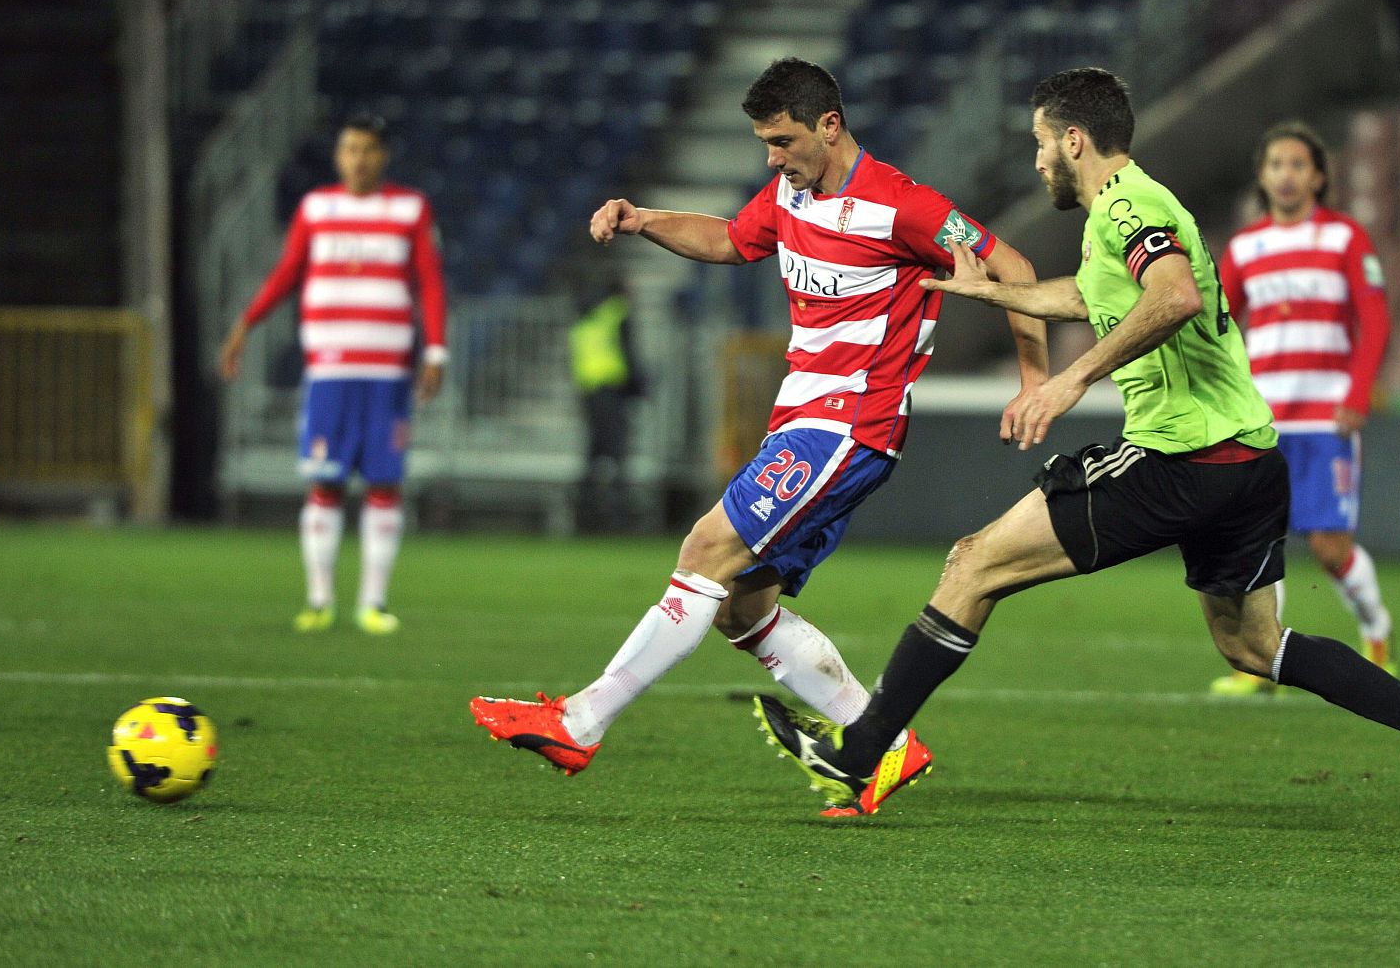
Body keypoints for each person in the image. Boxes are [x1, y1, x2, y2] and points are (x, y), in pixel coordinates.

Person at [754, 67, 1400, 822]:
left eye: (1042, 144)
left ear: (1074, 140)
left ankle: (861, 753)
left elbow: (1174, 295)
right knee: (1255, 648)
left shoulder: (1128, 207)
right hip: (1247, 460)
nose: (1039, 160)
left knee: (972, 562)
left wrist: (1068, 380)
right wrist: (996, 293)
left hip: (1181, 460)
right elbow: (1089, 297)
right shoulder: (1127, 211)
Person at [470, 58, 1050, 801]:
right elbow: (731, 240)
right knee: (741, 602)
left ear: (829, 127)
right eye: (764, 143)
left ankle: (580, 721)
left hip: (849, 423)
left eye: (782, 141)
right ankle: (888, 747)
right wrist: (644, 219)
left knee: (705, 547)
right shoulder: (789, 192)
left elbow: (1016, 265)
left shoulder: (900, 204)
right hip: (802, 421)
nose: (771, 158)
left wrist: (1035, 380)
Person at [219, 113, 446, 635]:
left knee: (384, 483)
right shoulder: (317, 208)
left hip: (387, 372)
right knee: (324, 483)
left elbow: (429, 283)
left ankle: (373, 603)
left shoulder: (409, 208)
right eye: (349, 149)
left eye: (367, 149)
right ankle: (319, 599)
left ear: (382, 155)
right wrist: (245, 324)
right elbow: (286, 272)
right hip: (329, 372)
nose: (357, 159)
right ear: (338, 155)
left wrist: (435, 351)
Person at [1209, 122, 1395, 695]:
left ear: (1317, 175)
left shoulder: (1345, 239)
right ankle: (1260, 662)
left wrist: (1358, 394)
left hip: (1325, 419)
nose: (1286, 175)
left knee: (1327, 545)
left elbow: (1376, 319)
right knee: (1257, 542)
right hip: (1261, 419)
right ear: (1263, 177)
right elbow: (1217, 326)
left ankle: (1377, 633)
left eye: (1297, 164)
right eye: (1275, 164)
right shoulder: (1245, 248)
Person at [569, 275, 644, 532]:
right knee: (617, 452)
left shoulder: (585, 317)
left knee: (594, 452)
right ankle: (618, 516)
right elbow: (627, 351)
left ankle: (583, 510)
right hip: (612, 390)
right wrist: (639, 386)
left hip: (589, 391)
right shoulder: (616, 313)